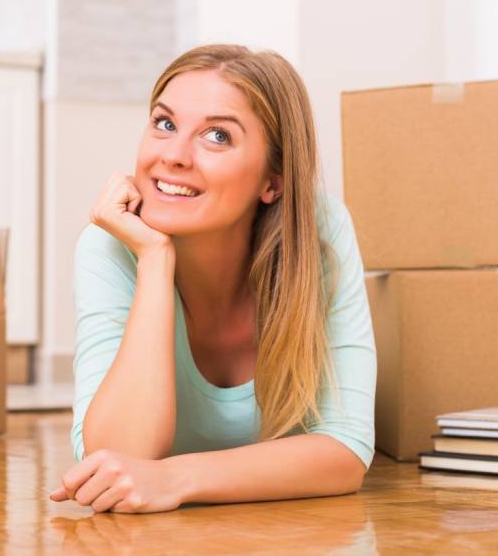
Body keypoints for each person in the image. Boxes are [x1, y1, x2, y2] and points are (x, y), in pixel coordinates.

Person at [49, 44, 376, 514]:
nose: (174, 156)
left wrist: (174, 478)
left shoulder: (319, 234)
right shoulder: (109, 246)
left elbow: (344, 452)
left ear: (273, 182)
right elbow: (115, 456)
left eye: (217, 136)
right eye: (165, 124)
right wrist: (155, 260)